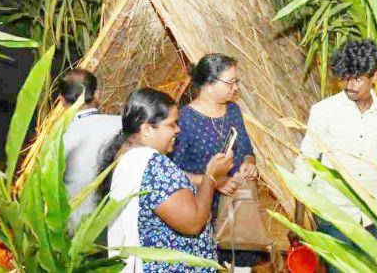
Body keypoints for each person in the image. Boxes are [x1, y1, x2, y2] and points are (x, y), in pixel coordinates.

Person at [292, 39, 377, 273]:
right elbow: (306, 163)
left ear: (374, 75)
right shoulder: (324, 111)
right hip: (332, 214)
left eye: (358, 78)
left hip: (371, 218)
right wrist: (297, 221)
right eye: (346, 77)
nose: (350, 85)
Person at [102, 88, 234, 272]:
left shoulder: (129, 157)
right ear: (147, 129)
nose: (178, 130)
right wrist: (211, 177)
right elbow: (193, 223)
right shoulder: (154, 166)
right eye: (172, 124)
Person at [171, 53, 262, 266]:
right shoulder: (184, 120)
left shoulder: (233, 111)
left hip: (238, 209)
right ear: (210, 84)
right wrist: (213, 181)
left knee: (241, 265)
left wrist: (249, 163)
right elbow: (173, 172)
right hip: (202, 215)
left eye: (236, 82)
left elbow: (247, 149)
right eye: (231, 82)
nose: (236, 88)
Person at [60, 69, 121, 234]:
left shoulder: (58, 140)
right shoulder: (122, 126)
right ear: (97, 95)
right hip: (117, 226)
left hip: (76, 233)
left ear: (62, 101)